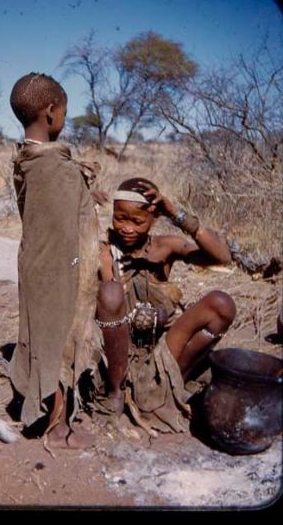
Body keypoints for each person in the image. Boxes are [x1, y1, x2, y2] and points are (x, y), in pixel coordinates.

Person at [95, 177, 236, 434]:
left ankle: (173, 381)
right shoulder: (104, 252)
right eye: (120, 219)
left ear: (155, 218)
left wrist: (176, 214)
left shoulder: (164, 247)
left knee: (221, 304)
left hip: (164, 350)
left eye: (137, 222)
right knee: (112, 294)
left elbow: (222, 257)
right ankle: (118, 393)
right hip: (120, 355)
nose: (127, 228)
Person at [9, 72, 102, 449]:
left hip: (34, 261)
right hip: (57, 265)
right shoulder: (54, 167)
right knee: (57, 335)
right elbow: (65, 229)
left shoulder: (27, 159)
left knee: (42, 333)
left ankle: (50, 409)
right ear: (50, 112)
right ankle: (57, 421)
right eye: (64, 112)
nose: (64, 118)